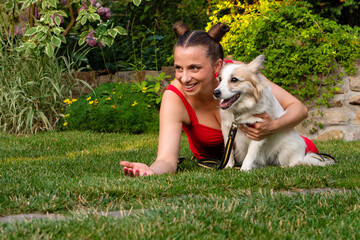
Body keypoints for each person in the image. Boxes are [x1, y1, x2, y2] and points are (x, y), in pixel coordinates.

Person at [120, 22, 318, 177]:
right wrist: (151, 171)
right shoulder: (175, 98)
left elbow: (299, 109)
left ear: (217, 67)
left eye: (194, 68)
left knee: (305, 152)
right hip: (238, 161)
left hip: (278, 149)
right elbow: (166, 159)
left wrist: (272, 126)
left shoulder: (240, 73)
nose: (184, 77)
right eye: (179, 67)